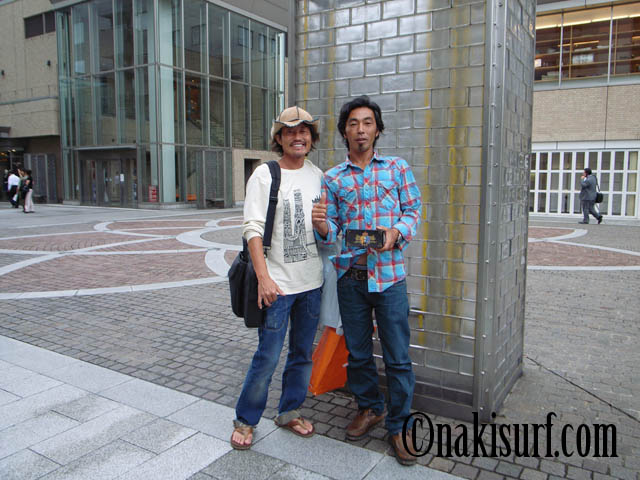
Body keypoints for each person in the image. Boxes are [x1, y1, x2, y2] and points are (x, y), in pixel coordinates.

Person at [312, 96, 422, 466]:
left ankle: (399, 425)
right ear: (344, 131)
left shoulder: (397, 168)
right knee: (358, 355)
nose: (360, 130)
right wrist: (322, 226)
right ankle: (370, 407)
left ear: (377, 129)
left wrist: (395, 232)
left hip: (390, 279)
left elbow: (413, 210)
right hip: (352, 280)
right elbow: (332, 233)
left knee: (398, 357)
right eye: (353, 124)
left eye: (367, 123)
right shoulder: (333, 178)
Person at [231, 106, 324, 450]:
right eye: (290, 132)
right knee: (267, 356)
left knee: (302, 354)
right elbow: (252, 229)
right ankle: (246, 419)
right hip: (277, 287)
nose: (298, 137)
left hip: (312, 284)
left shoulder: (318, 175)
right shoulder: (265, 175)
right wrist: (264, 278)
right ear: (279, 138)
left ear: (312, 138)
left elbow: (324, 228)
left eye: (304, 131)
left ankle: (289, 412)